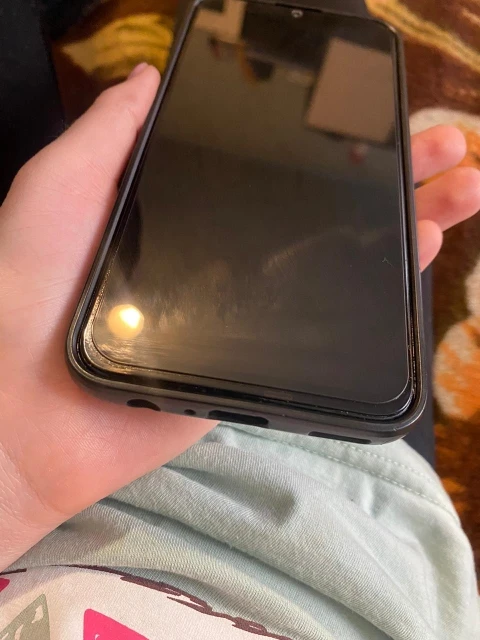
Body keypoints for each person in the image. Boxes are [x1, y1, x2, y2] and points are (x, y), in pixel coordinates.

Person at [0, 63, 479, 639]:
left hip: (121, 467)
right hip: (394, 532)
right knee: (381, 253)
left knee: (383, 249)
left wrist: (13, 465)